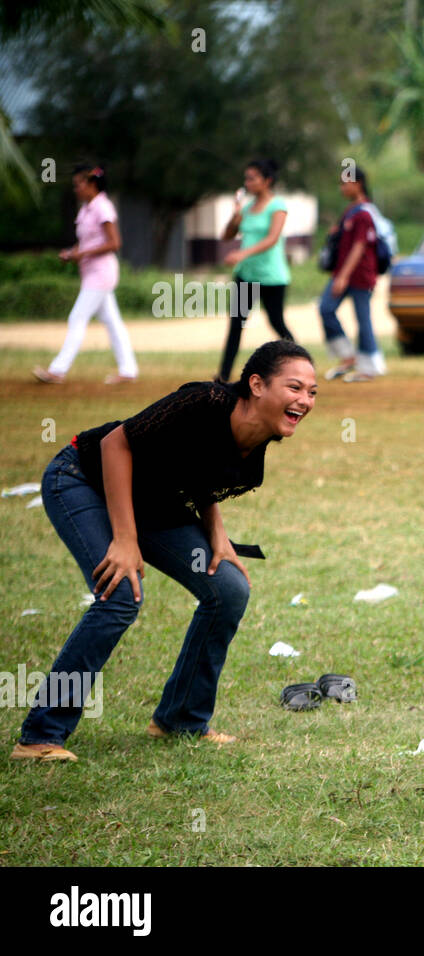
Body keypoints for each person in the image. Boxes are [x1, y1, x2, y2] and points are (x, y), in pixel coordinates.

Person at [11, 341, 317, 763]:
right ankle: (39, 736)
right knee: (119, 593)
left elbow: (202, 473)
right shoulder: (203, 402)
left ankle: (181, 719)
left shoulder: (256, 448)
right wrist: (124, 539)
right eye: (296, 387)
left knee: (227, 589)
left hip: (152, 502)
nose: (305, 400)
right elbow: (117, 445)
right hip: (83, 478)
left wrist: (217, 533)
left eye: (313, 392)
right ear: (257, 384)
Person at [33, 164, 139, 386]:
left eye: (79, 184)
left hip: (101, 273)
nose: (76, 188)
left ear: (92, 184)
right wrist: (73, 252)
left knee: (77, 317)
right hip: (90, 272)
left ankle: (58, 370)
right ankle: (128, 369)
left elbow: (114, 243)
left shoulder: (103, 208)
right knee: (112, 321)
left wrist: (82, 253)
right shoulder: (85, 209)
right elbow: (88, 241)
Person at [217, 158, 295, 382]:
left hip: (271, 277)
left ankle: (301, 364)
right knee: (236, 324)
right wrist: (235, 217)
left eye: (252, 178)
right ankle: (222, 377)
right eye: (246, 178)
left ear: (267, 181)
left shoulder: (277, 206)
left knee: (276, 322)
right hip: (246, 276)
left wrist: (242, 253)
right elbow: (226, 236)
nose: (247, 182)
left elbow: (271, 239)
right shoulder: (248, 208)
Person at [320, 165, 384, 383]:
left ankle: (369, 367)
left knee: (363, 319)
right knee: (325, 308)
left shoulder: (365, 213)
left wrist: (343, 276)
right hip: (342, 273)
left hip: (359, 276)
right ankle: (348, 356)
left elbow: (359, 247)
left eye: (344, 183)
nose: (341, 188)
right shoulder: (350, 211)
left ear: (357, 184)